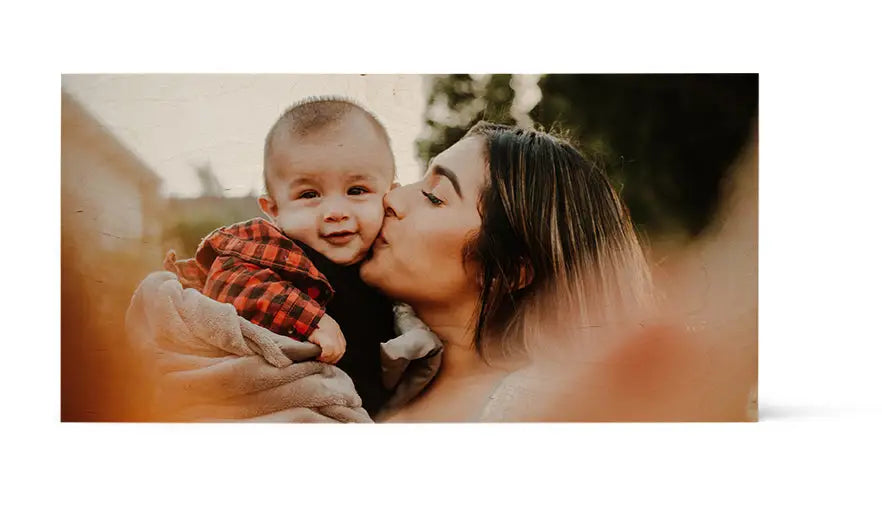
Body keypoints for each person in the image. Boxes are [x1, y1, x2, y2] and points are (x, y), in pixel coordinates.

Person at [359, 121, 654, 420]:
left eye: (435, 197)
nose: (391, 199)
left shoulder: (537, 412)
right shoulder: (367, 361)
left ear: (510, 271)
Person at [163, 97, 400, 417]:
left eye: (357, 190)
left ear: (390, 195)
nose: (335, 212)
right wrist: (307, 318)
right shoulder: (275, 246)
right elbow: (229, 279)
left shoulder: (391, 258)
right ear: (274, 210)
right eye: (309, 195)